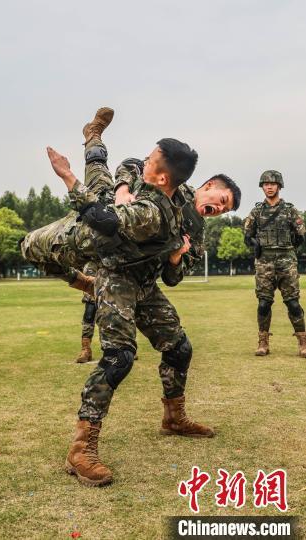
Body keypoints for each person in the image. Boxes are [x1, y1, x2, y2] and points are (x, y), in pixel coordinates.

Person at [36, 107, 241, 486]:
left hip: (143, 283)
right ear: (208, 184)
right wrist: (124, 188)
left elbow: (175, 277)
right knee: (119, 357)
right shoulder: (172, 184)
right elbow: (133, 163)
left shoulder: (197, 229)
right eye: (220, 197)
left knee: (179, 348)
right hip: (114, 269)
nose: (217, 207)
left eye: (224, 208)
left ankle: (173, 417)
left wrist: (178, 257)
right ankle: (82, 448)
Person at [244, 170, 306, 357]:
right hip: (264, 262)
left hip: (287, 260)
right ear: (262, 187)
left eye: (272, 184)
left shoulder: (289, 210)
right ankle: (263, 342)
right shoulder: (256, 211)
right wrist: (255, 244)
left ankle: (303, 342)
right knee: (264, 303)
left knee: (293, 303)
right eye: (265, 184)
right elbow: (247, 236)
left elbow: (301, 234)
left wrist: (288, 249)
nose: (269, 187)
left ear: (279, 186)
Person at [75, 261, 98, 364]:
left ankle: (124, 347)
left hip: (110, 261)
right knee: (89, 316)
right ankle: (86, 350)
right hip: (93, 263)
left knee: (114, 317)